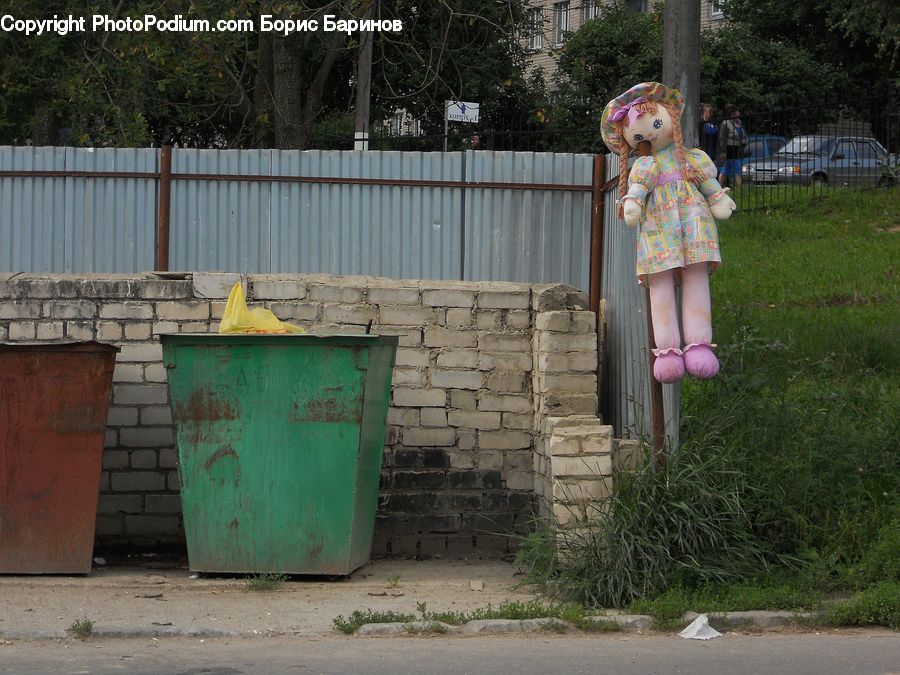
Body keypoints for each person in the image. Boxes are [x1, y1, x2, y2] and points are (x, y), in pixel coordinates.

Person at [600, 82, 736, 383]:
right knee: (660, 286)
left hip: (694, 226)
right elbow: (638, 189)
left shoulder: (692, 158)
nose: (648, 135)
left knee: (696, 280)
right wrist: (633, 200)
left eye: (655, 124)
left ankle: (700, 346)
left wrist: (718, 198)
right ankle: (669, 352)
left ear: (669, 118)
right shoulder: (645, 165)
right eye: (637, 135)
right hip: (659, 233)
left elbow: (707, 183)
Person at [716, 103, 748, 188]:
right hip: (729, 149)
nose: (739, 113)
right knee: (735, 168)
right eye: (737, 112)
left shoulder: (739, 122)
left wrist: (744, 140)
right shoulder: (725, 123)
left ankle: (719, 186)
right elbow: (722, 138)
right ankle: (740, 189)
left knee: (727, 168)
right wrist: (723, 151)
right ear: (732, 113)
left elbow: (742, 134)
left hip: (738, 149)